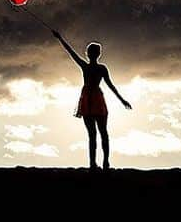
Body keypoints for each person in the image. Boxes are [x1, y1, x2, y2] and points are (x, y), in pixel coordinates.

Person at [52, 29, 132, 170]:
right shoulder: (101, 68)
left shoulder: (87, 67)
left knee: (93, 135)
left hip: (89, 100)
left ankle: (94, 164)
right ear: (98, 54)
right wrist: (122, 100)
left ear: (88, 54)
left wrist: (60, 38)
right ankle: (103, 163)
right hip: (94, 100)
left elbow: (70, 52)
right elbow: (111, 87)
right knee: (103, 133)